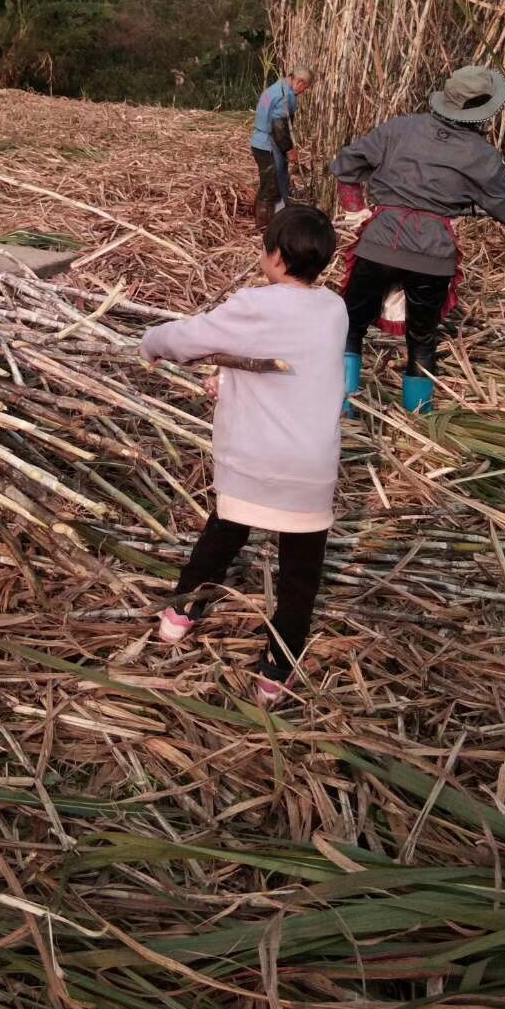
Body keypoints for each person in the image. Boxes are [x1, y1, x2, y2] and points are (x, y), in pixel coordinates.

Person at [140, 205, 347, 704]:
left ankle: (180, 616)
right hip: (310, 471)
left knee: (222, 536)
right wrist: (229, 377)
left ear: (275, 256)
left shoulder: (256, 303)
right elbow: (289, 366)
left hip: (254, 463)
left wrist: (150, 344)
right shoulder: (334, 310)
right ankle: (276, 672)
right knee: (300, 576)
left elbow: (190, 338)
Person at [330, 65, 505, 416]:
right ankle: (419, 419)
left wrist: (356, 212)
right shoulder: (481, 155)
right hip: (432, 256)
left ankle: (342, 408)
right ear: (482, 111)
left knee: (351, 325)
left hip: (379, 242)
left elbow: (346, 166)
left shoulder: (401, 128)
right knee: (421, 339)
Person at [250, 66, 313, 230]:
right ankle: (265, 226)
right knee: (272, 185)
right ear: (299, 82)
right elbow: (280, 127)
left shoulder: (274, 89)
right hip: (268, 144)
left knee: (268, 181)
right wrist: (289, 149)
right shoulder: (285, 97)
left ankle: (259, 215)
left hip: (258, 141)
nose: (303, 92)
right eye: (304, 88)